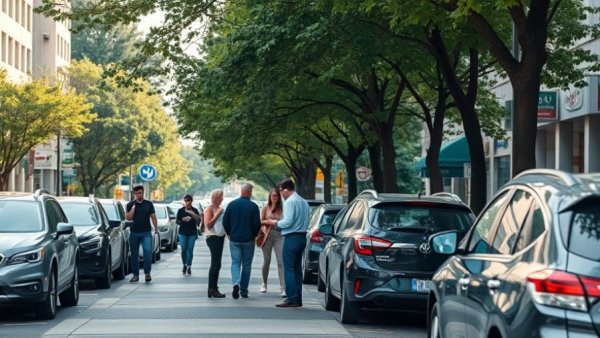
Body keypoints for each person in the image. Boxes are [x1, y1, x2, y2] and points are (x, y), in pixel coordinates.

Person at [264, 178, 310, 308]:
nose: (280, 194)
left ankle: (291, 298)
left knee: (288, 268)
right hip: (302, 237)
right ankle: (297, 298)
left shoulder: (290, 202)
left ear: (285, 189)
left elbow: (288, 221)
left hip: (291, 237)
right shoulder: (303, 201)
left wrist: (276, 223)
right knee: (297, 269)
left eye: (280, 191)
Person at [222, 183, 261, 299]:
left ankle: (235, 283)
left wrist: (229, 233)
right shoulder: (253, 206)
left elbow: (225, 221)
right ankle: (244, 290)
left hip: (234, 239)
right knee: (247, 265)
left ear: (241, 191)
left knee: (235, 263)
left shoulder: (232, 204)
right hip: (248, 240)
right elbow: (257, 224)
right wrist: (253, 235)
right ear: (249, 192)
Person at [126, 185, 159, 283]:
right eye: (136, 193)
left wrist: (156, 228)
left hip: (146, 233)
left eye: (140, 193)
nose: (138, 195)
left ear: (143, 193)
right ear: (134, 194)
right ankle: (135, 275)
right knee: (134, 255)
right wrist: (133, 210)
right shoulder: (130, 204)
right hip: (134, 233)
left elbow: (153, 216)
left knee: (147, 252)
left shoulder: (148, 204)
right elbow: (128, 218)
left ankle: (147, 273)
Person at [259, 188, 285, 296]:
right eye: (273, 196)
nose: (275, 198)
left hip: (280, 236)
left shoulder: (283, 208)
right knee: (267, 261)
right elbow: (260, 221)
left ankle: (283, 288)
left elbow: (286, 220)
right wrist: (269, 222)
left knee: (280, 262)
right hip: (268, 235)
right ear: (270, 196)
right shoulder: (265, 208)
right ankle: (264, 283)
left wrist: (278, 222)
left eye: (277, 196)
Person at [204, 189, 226, 298]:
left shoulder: (220, 208)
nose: (223, 198)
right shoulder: (209, 208)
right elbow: (208, 225)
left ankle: (214, 287)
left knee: (218, 264)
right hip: (212, 237)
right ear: (217, 197)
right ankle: (212, 288)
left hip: (220, 237)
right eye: (221, 196)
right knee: (215, 263)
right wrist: (218, 213)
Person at [176, 194, 202, 275]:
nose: (187, 202)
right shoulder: (180, 210)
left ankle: (189, 266)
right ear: (184, 201)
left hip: (192, 233)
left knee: (190, 249)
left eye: (189, 200)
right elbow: (177, 221)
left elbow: (199, 220)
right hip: (182, 232)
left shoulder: (195, 210)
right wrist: (183, 219)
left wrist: (192, 213)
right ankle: (184, 264)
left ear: (191, 201)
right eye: (186, 201)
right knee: (183, 249)